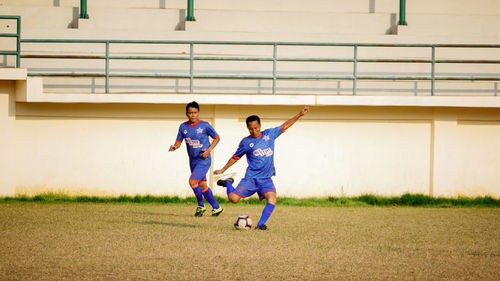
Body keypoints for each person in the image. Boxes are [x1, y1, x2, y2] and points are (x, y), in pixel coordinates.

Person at [214, 106, 309, 230]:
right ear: (248, 128)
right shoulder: (246, 142)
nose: (254, 131)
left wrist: (299, 115)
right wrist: (223, 170)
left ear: (260, 125)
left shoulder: (269, 134)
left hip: (266, 179)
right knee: (233, 199)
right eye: (251, 129)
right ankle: (227, 183)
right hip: (251, 178)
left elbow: (285, 125)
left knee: (272, 199)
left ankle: (260, 225)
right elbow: (235, 157)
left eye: (256, 128)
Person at [169, 101, 223, 217]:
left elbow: (217, 138)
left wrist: (208, 150)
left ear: (198, 113)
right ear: (186, 114)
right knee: (202, 185)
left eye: (195, 112)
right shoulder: (183, 126)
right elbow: (178, 142)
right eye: (190, 113)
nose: (193, 115)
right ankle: (217, 208)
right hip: (193, 161)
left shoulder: (205, 125)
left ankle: (201, 206)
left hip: (204, 160)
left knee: (192, 181)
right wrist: (175, 147)